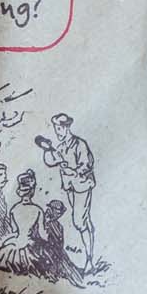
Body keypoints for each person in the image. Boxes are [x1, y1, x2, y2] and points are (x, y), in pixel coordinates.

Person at [37, 113, 97, 276]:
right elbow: (51, 161)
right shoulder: (61, 147)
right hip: (71, 187)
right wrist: (46, 148)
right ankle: (89, 257)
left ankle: (89, 261)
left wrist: (73, 171)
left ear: (66, 127)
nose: (57, 131)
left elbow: (87, 165)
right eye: (56, 128)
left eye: (59, 128)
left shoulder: (79, 144)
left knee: (79, 222)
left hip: (82, 186)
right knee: (83, 221)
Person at [0, 170, 45, 274]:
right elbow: (42, 233)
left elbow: (14, 230)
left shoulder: (14, 209)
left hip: (16, 242)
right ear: (32, 190)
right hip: (29, 244)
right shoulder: (38, 210)